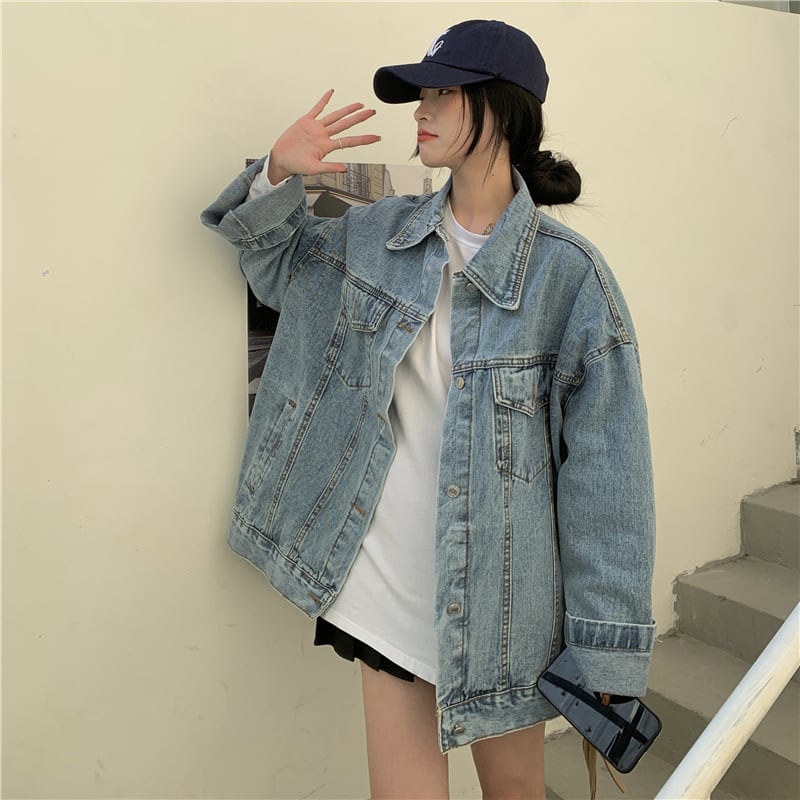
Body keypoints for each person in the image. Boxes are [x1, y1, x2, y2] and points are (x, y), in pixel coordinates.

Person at [201, 19, 656, 800]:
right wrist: (278, 174)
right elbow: (277, 274)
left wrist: (606, 649)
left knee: (516, 793)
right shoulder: (377, 234)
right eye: (422, 92)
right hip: (381, 590)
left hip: (501, 606)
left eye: (444, 92)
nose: (422, 108)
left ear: (503, 110)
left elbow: (609, 483)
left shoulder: (571, 281)